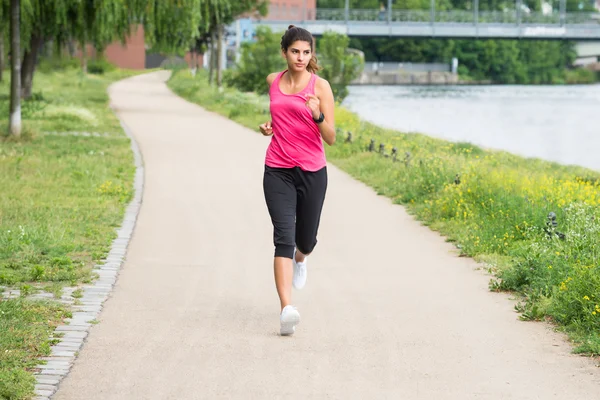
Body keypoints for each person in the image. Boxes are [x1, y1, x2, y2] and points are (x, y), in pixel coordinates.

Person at [259, 25, 336, 336]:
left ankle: (301, 260)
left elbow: (330, 138)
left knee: (305, 242)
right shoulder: (273, 81)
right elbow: (281, 119)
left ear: (311, 54)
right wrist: (270, 128)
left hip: (313, 171)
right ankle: (286, 310)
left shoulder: (321, 87)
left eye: (306, 52)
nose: (301, 57)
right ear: (284, 52)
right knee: (283, 237)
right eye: (295, 52)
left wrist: (317, 116)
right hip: (277, 168)